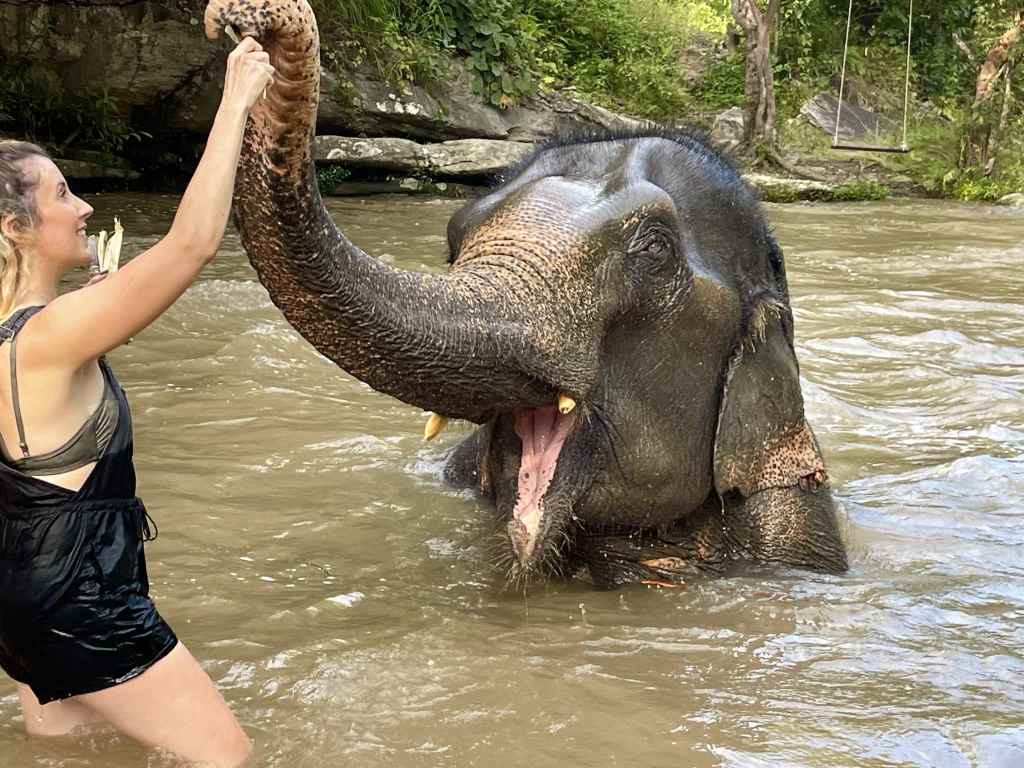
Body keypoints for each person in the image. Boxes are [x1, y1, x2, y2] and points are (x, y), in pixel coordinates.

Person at [0, 36, 275, 767]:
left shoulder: (23, 340)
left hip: (19, 600)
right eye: (62, 195)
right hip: (83, 601)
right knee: (230, 757)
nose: (85, 206)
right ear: (14, 227)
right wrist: (237, 101)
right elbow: (192, 244)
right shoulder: (54, 335)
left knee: (75, 754)